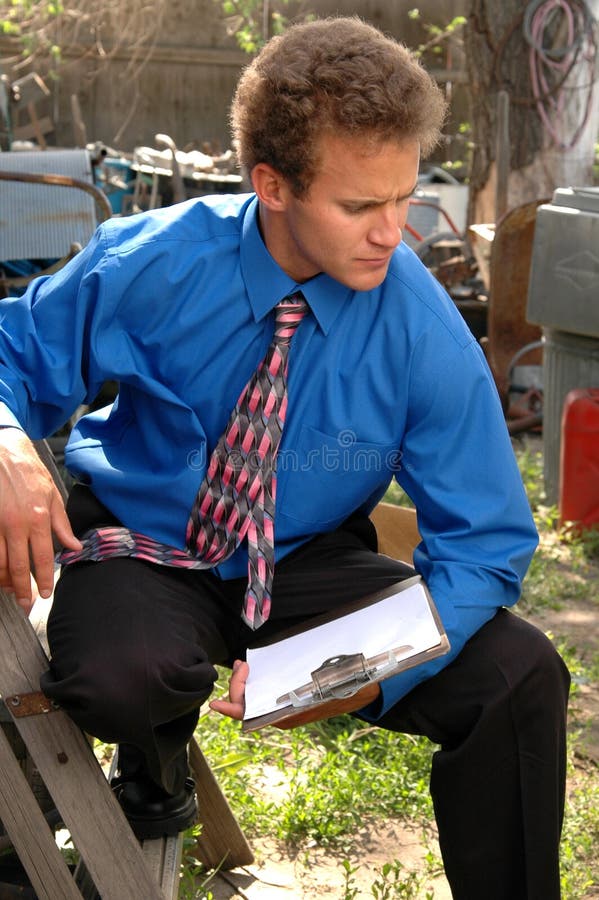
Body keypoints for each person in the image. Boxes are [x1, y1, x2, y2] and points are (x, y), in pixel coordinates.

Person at [0, 16, 569, 899]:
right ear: (272, 185)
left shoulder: (422, 330)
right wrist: (5, 442)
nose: (391, 233)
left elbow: (486, 546)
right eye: (358, 206)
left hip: (303, 557)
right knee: (121, 675)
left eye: (404, 199)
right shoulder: (153, 260)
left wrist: (350, 666)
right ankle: (153, 778)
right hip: (149, 548)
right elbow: (10, 355)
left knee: (520, 674)